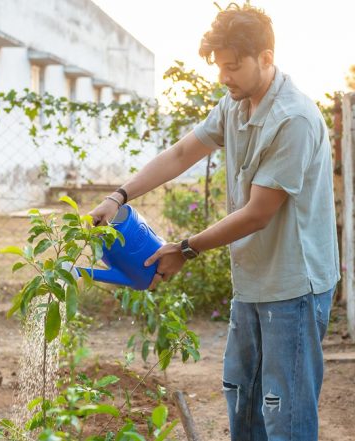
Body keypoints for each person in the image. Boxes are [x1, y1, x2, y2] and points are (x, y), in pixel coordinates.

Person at [89, 4, 339, 440]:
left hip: (294, 287)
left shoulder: (292, 118)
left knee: (286, 413)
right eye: (220, 66)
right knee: (242, 399)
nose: (224, 76)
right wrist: (119, 196)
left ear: (266, 57)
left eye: (233, 66)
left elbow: (259, 213)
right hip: (253, 281)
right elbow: (183, 154)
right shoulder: (234, 106)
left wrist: (185, 249)